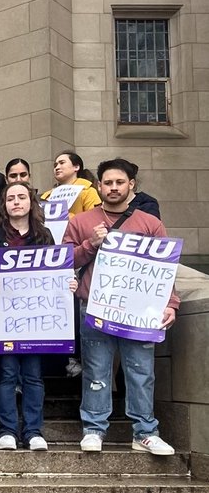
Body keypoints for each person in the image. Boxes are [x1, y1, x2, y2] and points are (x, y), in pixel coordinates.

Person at [64, 158, 179, 456]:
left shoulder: (150, 223)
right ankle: (93, 428)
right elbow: (65, 261)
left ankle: (145, 432)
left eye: (119, 182)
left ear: (131, 185)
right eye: (107, 183)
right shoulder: (81, 221)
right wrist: (91, 243)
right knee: (96, 368)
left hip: (141, 311)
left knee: (141, 371)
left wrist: (171, 303)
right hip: (94, 306)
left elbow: (164, 270)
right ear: (98, 186)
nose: (113, 188)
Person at [0, 184, 75, 451]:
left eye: (21, 197)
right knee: (7, 374)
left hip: (38, 322)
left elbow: (55, 273)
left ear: (30, 202)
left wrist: (67, 283)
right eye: (10, 198)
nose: (16, 202)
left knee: (34, 375)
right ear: (4, 204)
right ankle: (7, 431)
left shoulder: (44, 236)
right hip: (5, 320)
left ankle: (34, 431)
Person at [40, 151, 100, 216]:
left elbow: (95, 219)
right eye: (55, 165)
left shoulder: (88, 191)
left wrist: (66, 217)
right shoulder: (46, 196)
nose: (57, 168)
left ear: (76, 167)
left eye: (62, 163)